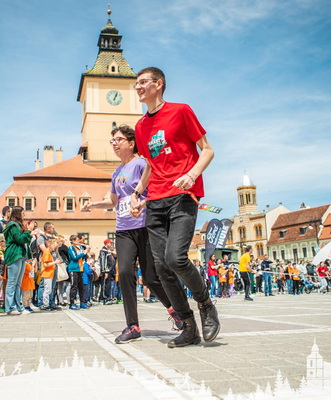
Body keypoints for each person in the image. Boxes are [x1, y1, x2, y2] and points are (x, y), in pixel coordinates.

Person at [129, 67, 219, 347]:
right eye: (136, 83)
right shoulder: (140, 127)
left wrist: (192, 174)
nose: (138, 87)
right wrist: (137, 193)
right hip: (155, 200)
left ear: (159, 84)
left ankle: (206, 304)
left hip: (183, 195)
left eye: (143, 82)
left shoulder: (181, 111)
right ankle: (188, 327)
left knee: (175, 258)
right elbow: (150, 164)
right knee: (161, 269)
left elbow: (207, 149)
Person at [83, 125, 181, 343]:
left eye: (119, 139)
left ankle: (175, 311)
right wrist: (93, 204)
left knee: (151, 278)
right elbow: (113, 201)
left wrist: (142, 204)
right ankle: (132, 326)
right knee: (125, 273)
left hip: (145, 226)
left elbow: (155, 191)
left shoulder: (141, 164)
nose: (114, 144)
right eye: (112, 141)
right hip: (123, 229)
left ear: (131, 143)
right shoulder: (116, 172)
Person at [2, 206, 34, 316]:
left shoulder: (18, 226)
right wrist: (28, 231)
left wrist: (28, 233)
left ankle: (18, 306)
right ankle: (10, 307)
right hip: (14, 254)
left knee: (18, 283)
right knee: (12, 282)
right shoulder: (13, 225)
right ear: (17, 214)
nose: (24, 215)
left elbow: (25, 240)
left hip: (20, 254)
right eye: (23, 213)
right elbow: (20, 239)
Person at [67, 235, 89, 310]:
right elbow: (74, 257)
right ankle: (72, 303)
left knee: (81, 286)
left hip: (80, 268)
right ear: (73, 241)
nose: (79, 242)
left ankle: (82, 302)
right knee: (74, 286)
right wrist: (83, 253)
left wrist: (86, 252)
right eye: (77, 240)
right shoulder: (71, 248)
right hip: (73, 269)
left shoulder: (79, 248)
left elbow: (82, 257)